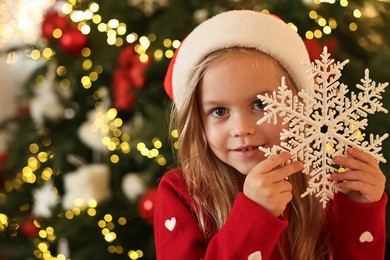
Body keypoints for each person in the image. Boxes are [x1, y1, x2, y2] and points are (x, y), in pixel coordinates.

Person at [154, 10, 387, 260]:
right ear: (198, 121)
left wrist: (361, 210)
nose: (241, 128)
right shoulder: (182, 193)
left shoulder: (319, 186)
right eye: (219, 111)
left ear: (299, 106)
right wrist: (255, 215)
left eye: (261, 104)